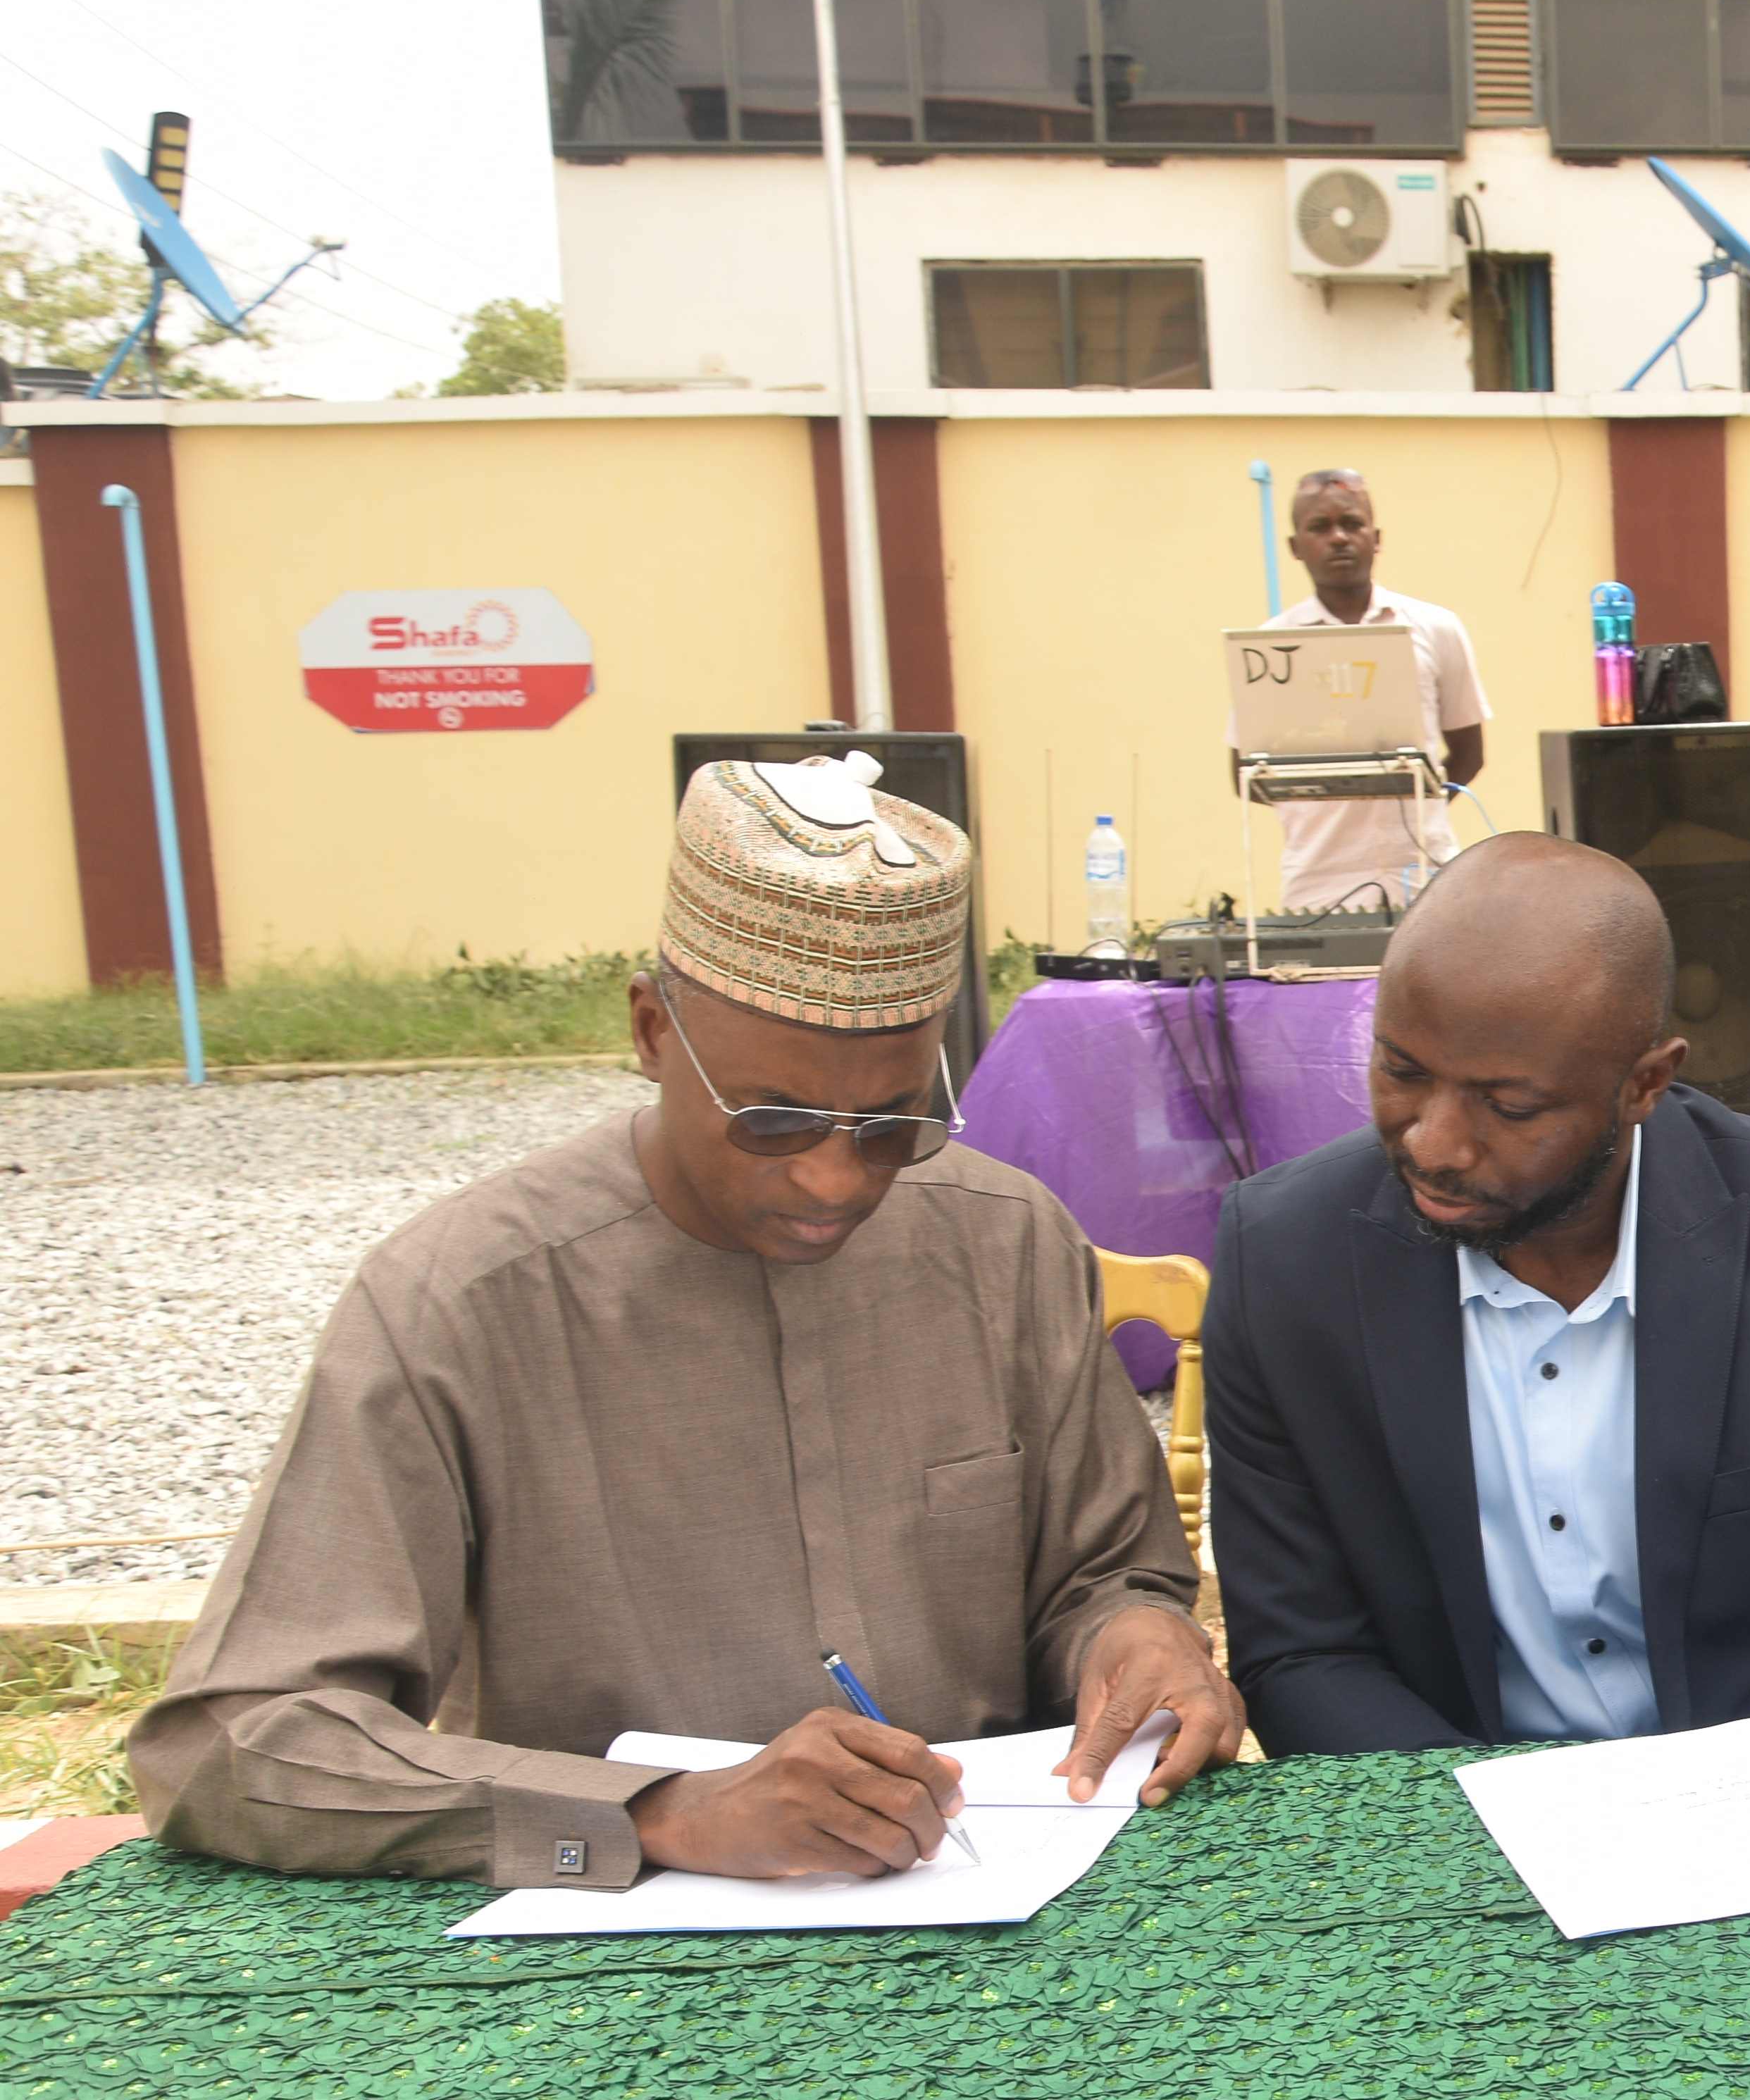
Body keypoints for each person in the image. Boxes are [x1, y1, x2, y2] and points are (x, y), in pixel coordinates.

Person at [134, 754, 1242, 1887]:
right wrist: (655, 1814)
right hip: (607, 1974)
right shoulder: (462, 1302)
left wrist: (1134, 1638)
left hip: (996, 1898)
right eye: (772, 1122)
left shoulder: (1003, 1240)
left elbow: (1104, 1576)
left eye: (891, 1127)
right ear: (654, 1030)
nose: (834, 1181)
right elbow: (233, 1742)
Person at [1203, 833, 1750, 1752]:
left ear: (1645, 1084)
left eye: (1507, 1107)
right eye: (1402, 1070)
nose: (1434, 1143)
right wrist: (1499, 1838)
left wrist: (1730, 1821)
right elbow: (1300, 1657)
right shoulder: (1283, 1257)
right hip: (1458, 1833)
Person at [1258, 466, 1491, 913]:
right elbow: (1245, 775)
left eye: (1352, 523)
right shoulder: (1271, 646)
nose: (1339, 538)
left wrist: (1420, 807)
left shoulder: (1436, 628)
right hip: (1319, 888)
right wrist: (1323, 802)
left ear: (1376, 536)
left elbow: (1469, 753)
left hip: (1427, 881)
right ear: (1295, 547)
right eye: (1320, 527)